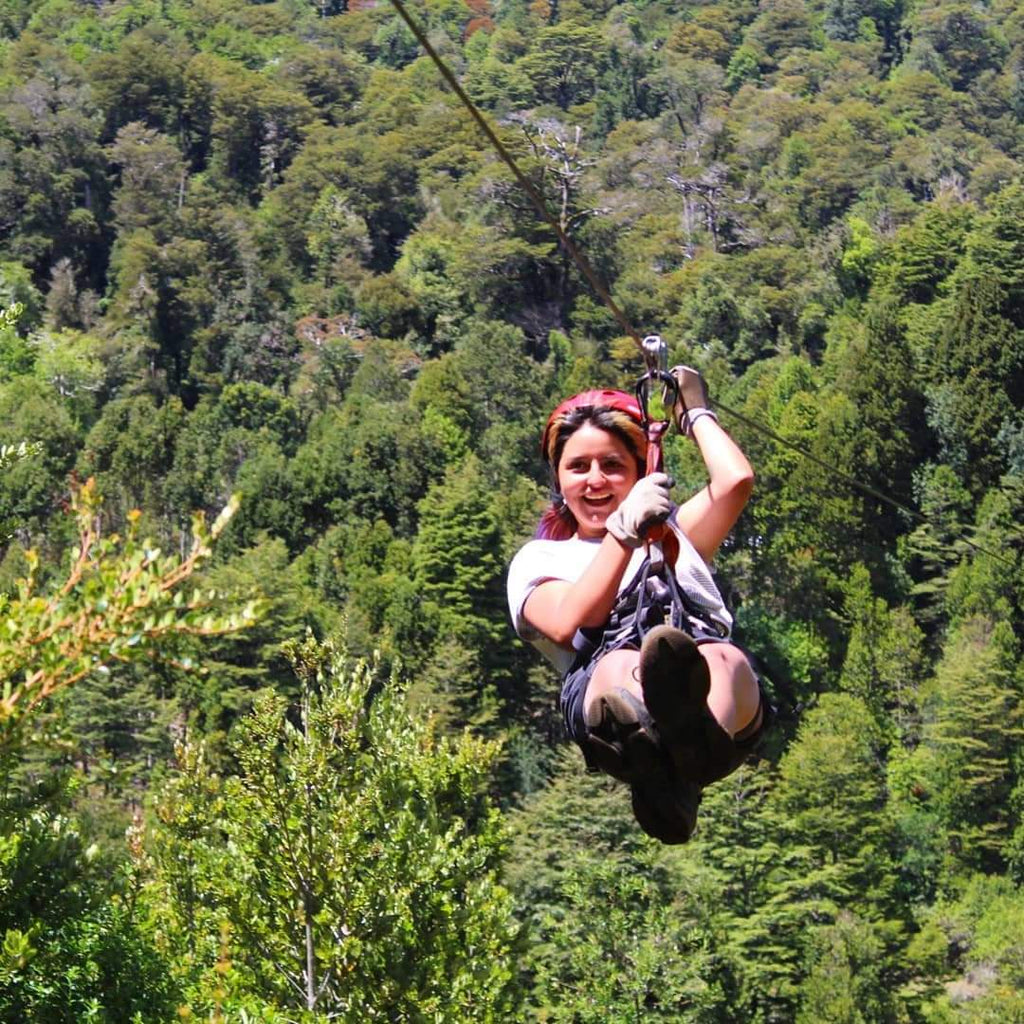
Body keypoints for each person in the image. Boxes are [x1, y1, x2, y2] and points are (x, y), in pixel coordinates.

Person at [506, 367, 770, 842]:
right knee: (624, 668)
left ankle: (689, 751)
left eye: (612, 466)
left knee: (721, 657)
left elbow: (735, 481)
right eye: (578, 467)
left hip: (706, 679)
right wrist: (623, 534)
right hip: (606, 676)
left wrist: (696, 414)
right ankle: (660, 752)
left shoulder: (672, 536)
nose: (595, 480)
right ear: (558, 478)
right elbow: (568, 622)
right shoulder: (540, 559)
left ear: (638, 474)